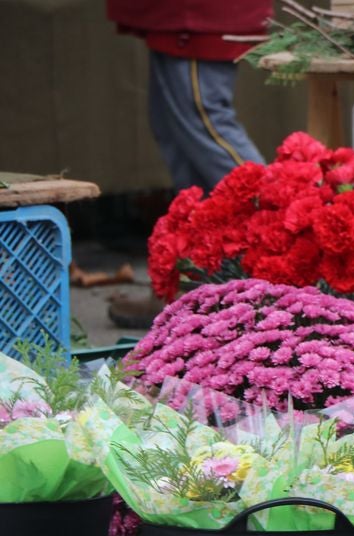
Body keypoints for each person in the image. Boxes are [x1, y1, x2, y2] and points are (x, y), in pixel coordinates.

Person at [104, 0, 273, 327]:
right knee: (175, 131)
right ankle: (197, 286)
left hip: (198, 13)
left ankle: (288, 239)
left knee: (206, 121)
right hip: (175, 14)